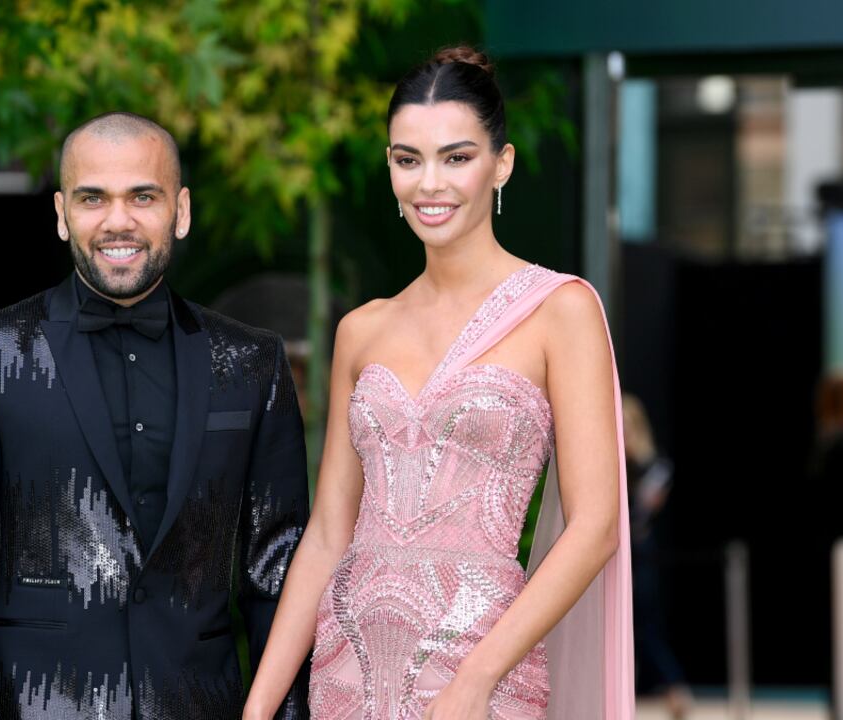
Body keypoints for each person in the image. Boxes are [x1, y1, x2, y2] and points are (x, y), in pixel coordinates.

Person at [242, 47, 634, 720]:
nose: (430, 183)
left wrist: (477, 679)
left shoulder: (559, 311)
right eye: (408, 159)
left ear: (501, 165)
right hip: (350, 673)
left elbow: (595, 526)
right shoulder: (362, 330)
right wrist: (259, 707)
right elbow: (330, 533)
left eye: (456, 158)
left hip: (483, 673)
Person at [0, 112, 311, 718]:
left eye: (143, 197)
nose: (118, 220)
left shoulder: (252, 363)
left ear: (181, 211)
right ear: (61, 214)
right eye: (93, 198)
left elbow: (279, 579)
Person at [623, 394, 690, 719]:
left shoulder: (653, 466)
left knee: (645, 624)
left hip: (640, 552)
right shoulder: (612, 461)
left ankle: (674, 687)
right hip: (618, 550)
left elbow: (643, 511)